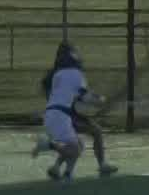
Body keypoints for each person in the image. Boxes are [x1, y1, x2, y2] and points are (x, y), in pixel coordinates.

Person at [30, 42, 119, 182]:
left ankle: (64, 171)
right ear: (71, 55)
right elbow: (85, 97)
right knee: (79, 145)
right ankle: (47, 145)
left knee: (78, 144)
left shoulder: (57, 73)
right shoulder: (76, 74)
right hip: (63, 115)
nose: (78, 55)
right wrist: (99, 100)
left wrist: (92, 98)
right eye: (75, 52)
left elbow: (72, 95)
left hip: (56, 114)